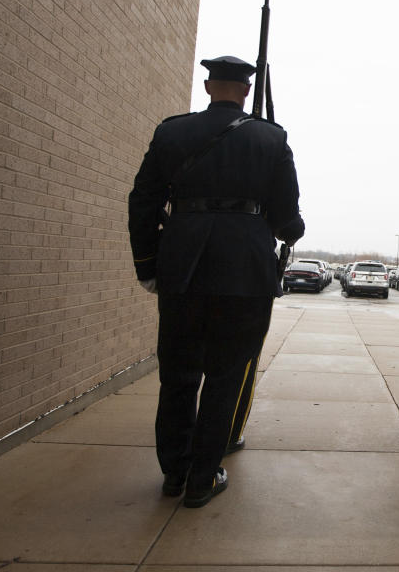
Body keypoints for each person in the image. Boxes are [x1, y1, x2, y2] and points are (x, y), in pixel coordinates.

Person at [128, 55, 304, 508]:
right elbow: (287, 220)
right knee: (225, 377)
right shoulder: (271, 138)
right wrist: (291, 227)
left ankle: (175, 472)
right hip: (245, 271)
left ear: (208, 87)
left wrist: (148, 264)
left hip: (182, 265)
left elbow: (143, 200)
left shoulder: (172, 131)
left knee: (179, 374)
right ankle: (203, 479)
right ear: (245, 91)